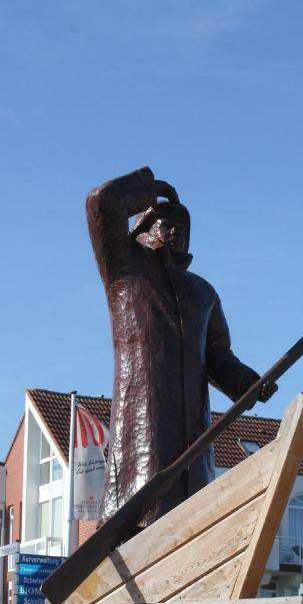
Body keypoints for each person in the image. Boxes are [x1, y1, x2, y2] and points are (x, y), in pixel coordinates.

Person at [86, 166, 277, 531]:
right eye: (165, 224)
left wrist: (247, 383)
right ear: (143, 229)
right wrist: (149, 189)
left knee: (191, 517)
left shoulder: (202, 293)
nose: (174, 233)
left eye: (181, 229)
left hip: (194, 431)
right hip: (145, 422)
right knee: (143, 508)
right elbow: (101, 202)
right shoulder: (126, 270)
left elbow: (218, 355)